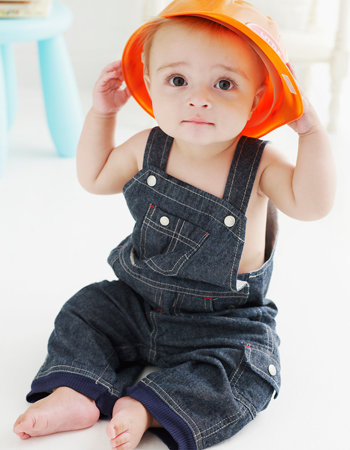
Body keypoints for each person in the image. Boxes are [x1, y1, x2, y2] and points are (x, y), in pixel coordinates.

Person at [13, 1, 336, 449]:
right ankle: (77, 390)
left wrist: (311, 134)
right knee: (86, 310)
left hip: (224, 322)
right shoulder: (148, 146)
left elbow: (312, 204)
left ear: (259, 97)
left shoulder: (259, 164)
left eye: (224, 83)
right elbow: (94, 176)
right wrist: (103, 114)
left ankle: (149, 407)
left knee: (252, 366)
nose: (198, 98)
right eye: (178, 80)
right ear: (149, 85)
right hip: (138, 301)